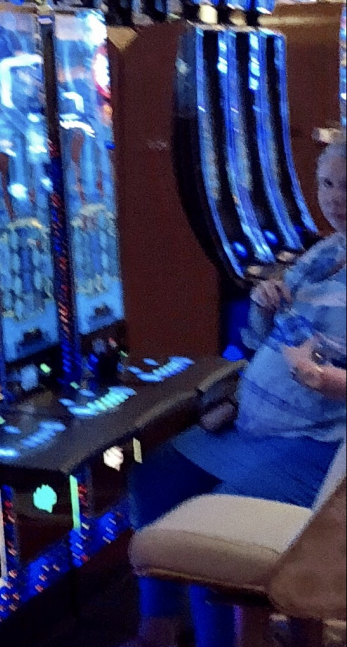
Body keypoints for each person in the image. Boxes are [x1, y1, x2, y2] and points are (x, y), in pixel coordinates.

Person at [125, 138, 347, 647]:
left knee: (213, 527)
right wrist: (265, 306)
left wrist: (325, 379)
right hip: (255, 424)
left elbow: (315, 362)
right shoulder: (326, 252)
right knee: (154, 475)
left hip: (318, 442)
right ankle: (159, 626)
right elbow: (260, 340)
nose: (335, 199)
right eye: (327, 184)